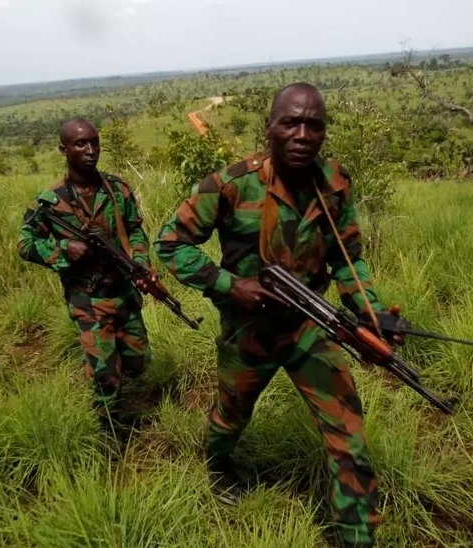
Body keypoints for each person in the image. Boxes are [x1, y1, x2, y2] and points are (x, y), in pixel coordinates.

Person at [153, 83, 395, 547]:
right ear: (270, 128)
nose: (303, 135)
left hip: (312, 326)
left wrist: (372, 312)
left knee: (348, 431)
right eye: (291, 123)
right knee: (231, 415)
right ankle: (219, 464)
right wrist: (229, 285)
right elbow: (170, 243)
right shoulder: (232, 183)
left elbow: (348, 259)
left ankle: (357, 534)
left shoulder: (335, 183)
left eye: (314, 125)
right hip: (249, 331)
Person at [17, 118, 156, 429]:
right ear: (63, 149)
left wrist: (141, 263)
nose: (90, 150)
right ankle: (108, 431)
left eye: (94, 142)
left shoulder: (117, 188)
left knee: (138, 361)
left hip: (125, 291)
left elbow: (135, 231)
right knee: (106, 376)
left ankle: (118, 388)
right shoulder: (51, 201)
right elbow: (25, 244)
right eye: (81, 144)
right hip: (88, 299)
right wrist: (63, 249)